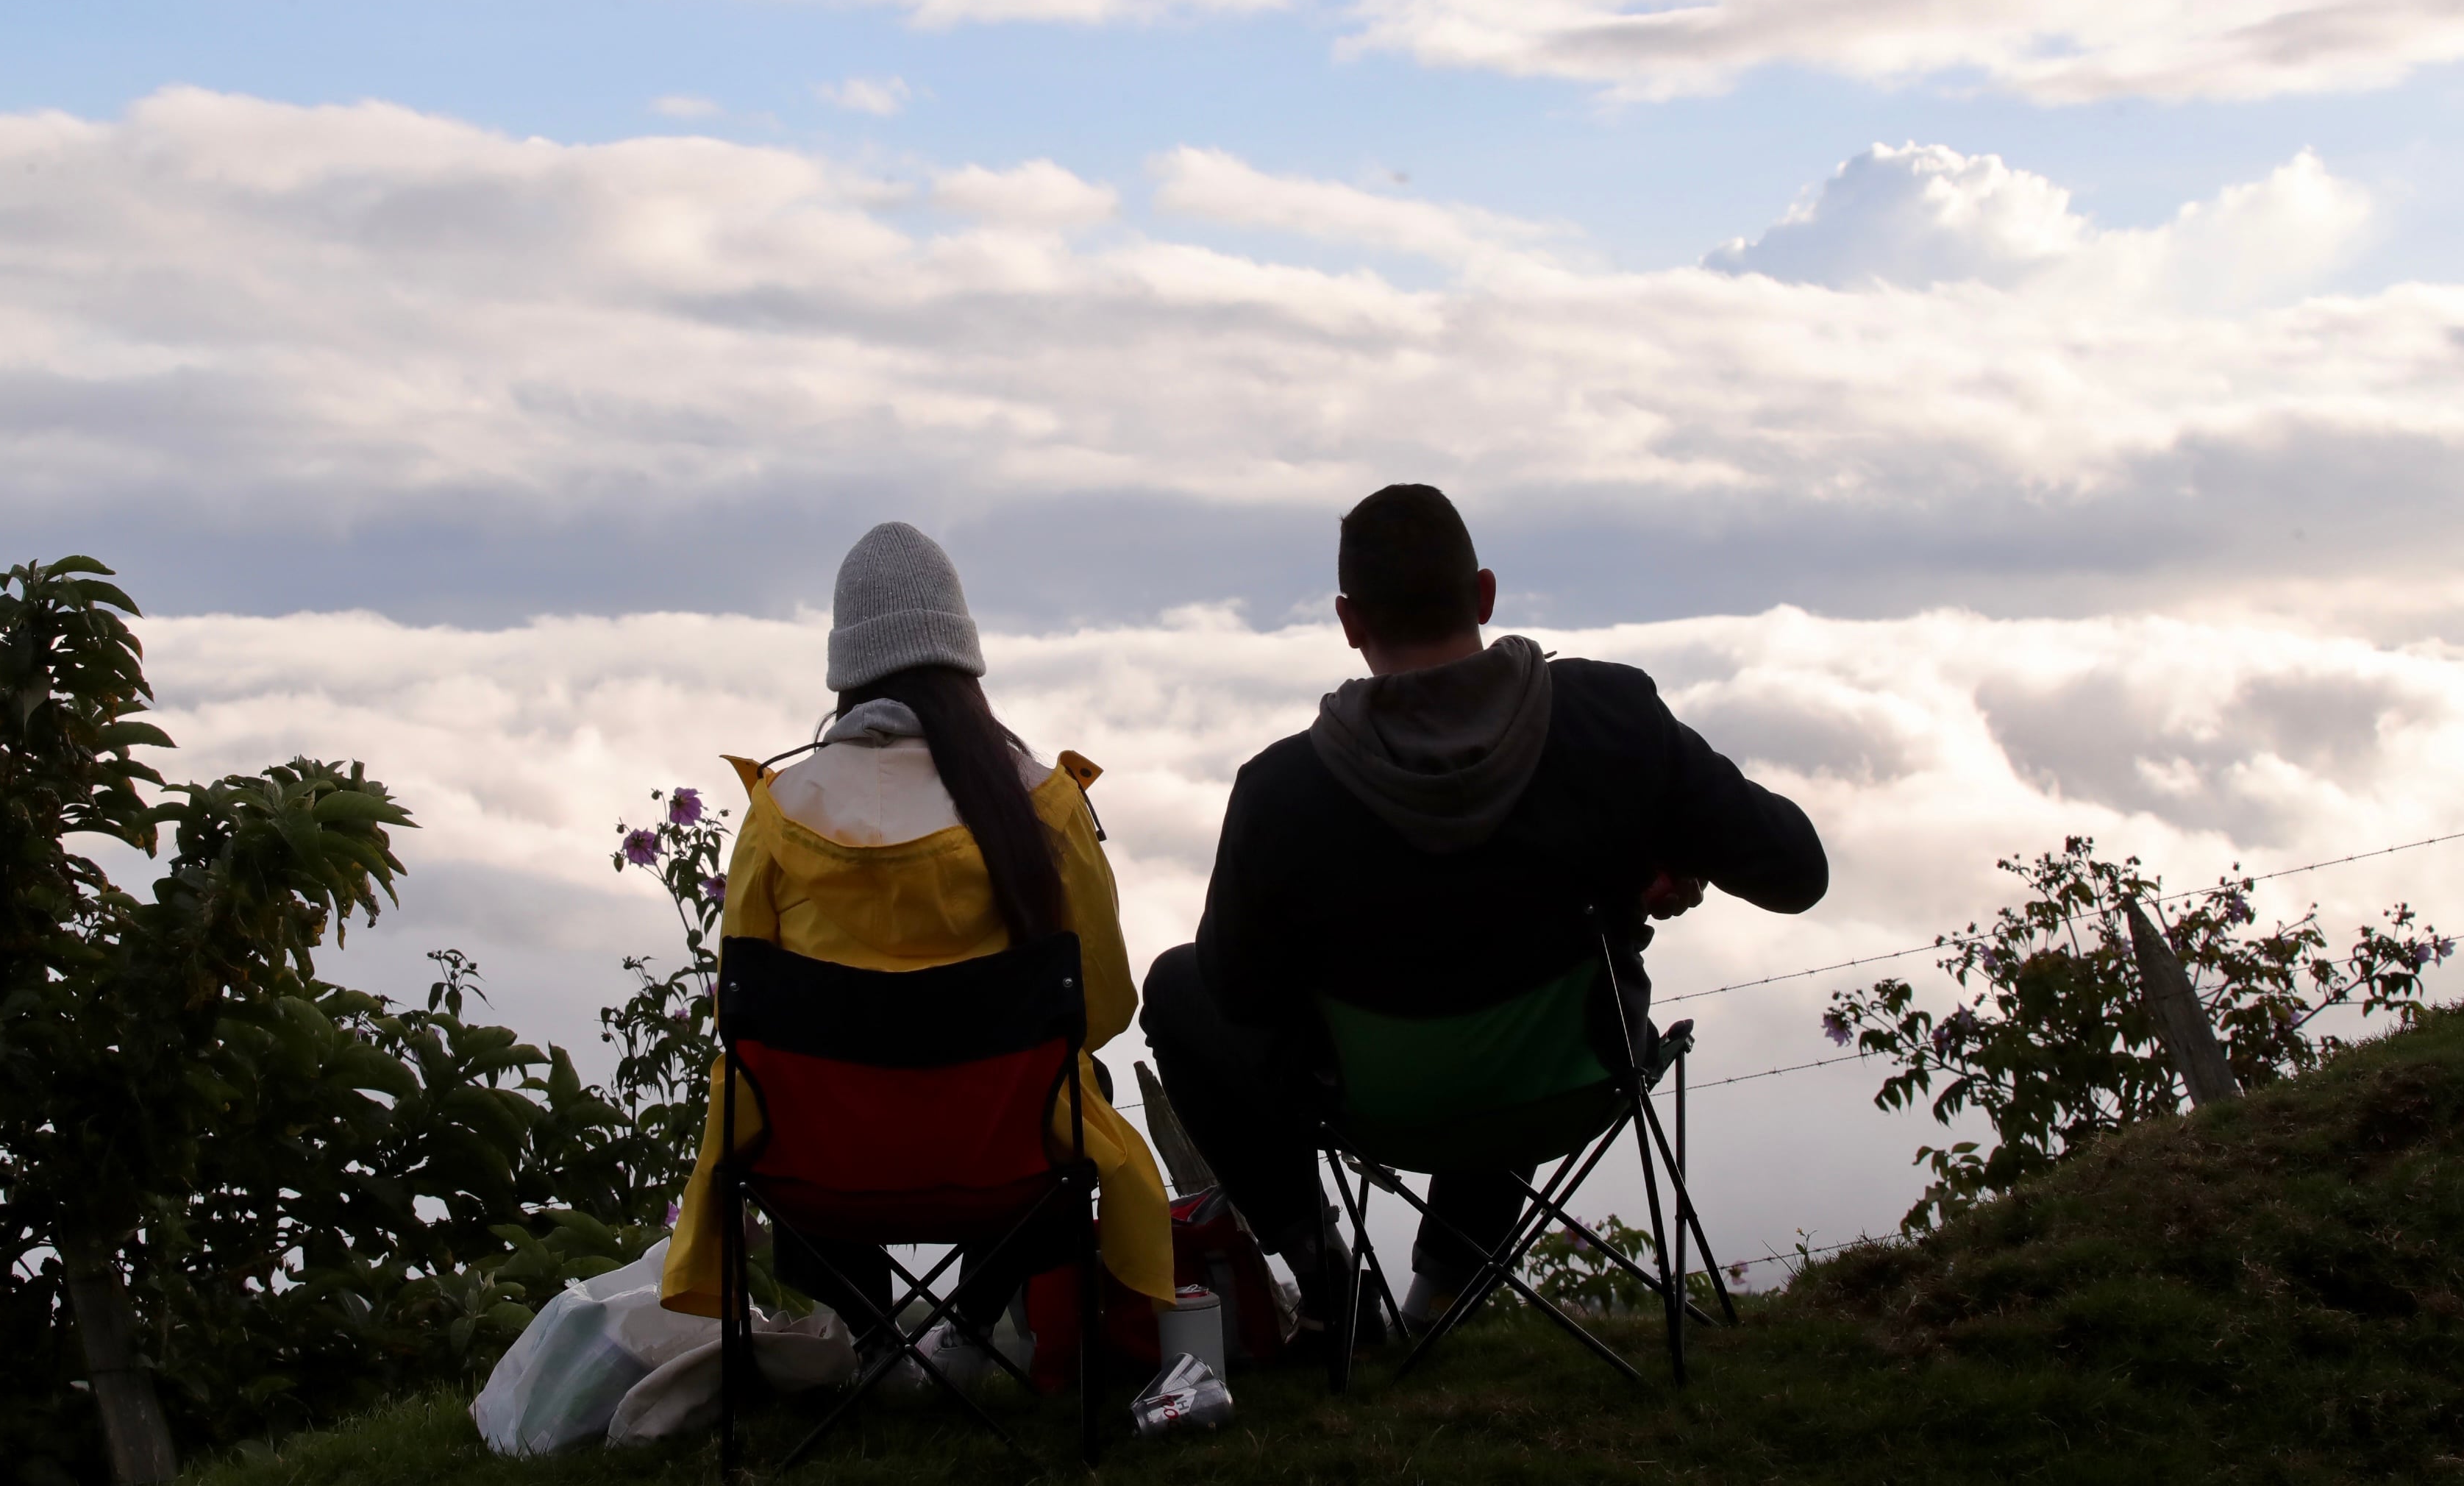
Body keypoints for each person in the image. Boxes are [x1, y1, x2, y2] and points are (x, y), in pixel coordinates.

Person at [1139, 484, 1828, 1333]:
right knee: (1508, 987)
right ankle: (1440, 1296)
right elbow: (1797, 873)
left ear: (1350, 621)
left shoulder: (1281, 791)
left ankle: (1326, 1280)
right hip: (1571, 1081)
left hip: (1377, 1106)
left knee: (1178, 985)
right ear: (1485, 594)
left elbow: (1239, 993)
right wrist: (1651, 849)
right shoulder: (1610, 717)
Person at [660, 521, 1175, 1359]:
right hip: (1003, 1159)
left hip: (822, 1168)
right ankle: (968, 1334)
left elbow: (742, 1022)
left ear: (845, 669)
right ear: (964, 659)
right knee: (1072, 1081)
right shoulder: (1042, 807)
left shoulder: (778, 816)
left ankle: (873, 1338)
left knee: (770, 1091)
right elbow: (1105, 1004)